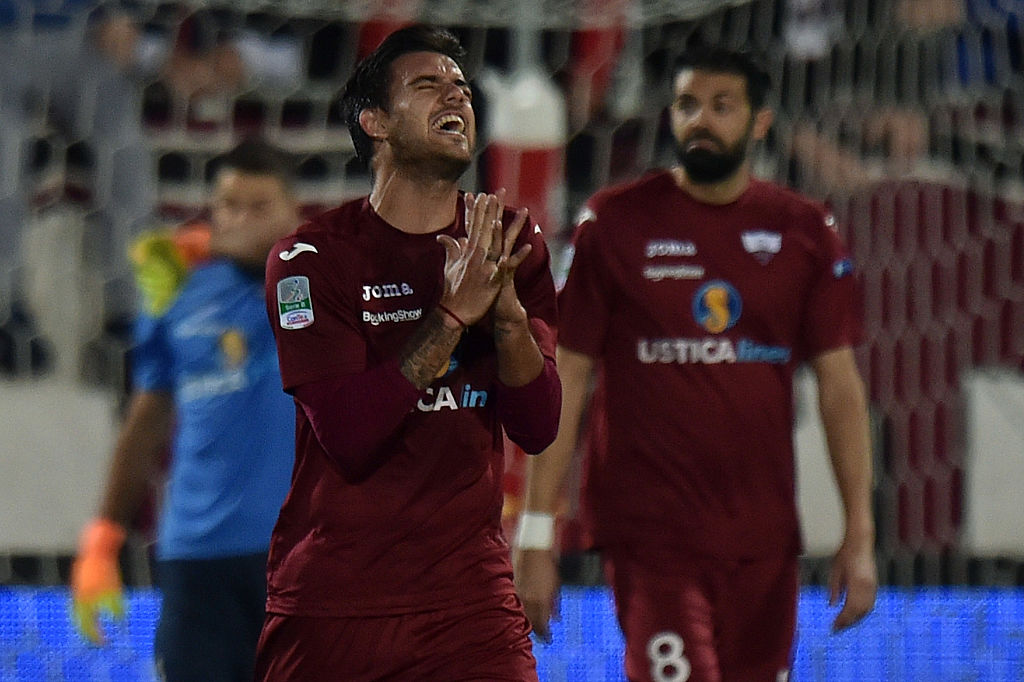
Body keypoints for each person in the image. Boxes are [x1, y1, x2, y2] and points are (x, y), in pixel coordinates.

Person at [514, 46, 878, 682]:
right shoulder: (614, 222)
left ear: (759, 122)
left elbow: (840, 388)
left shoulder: (805, 230)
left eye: (721, 106)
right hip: (651, 535)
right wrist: (538, 532)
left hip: (764, 539)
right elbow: (567, 376)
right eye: (686, 105)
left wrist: (861, 533)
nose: (700, 120)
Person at [252, 24, 561, 681]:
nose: (456, 96)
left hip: (469, 605)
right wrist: (451, 315)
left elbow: (538, 427)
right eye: (428, 85)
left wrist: (506, 321)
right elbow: (349, 433)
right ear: (376, 123)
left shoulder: (509, 243)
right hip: (337, 606)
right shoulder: (310, 260)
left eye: (462, 88)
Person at [69, 138, 300, 681]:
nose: (239, 219)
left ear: (293, 210)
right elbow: (146, 421)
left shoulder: (315, 284)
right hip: (195, 556)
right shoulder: (177, 291)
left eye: (258, 206)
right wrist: (102, 539)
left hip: (299, 556)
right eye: (228, 205)